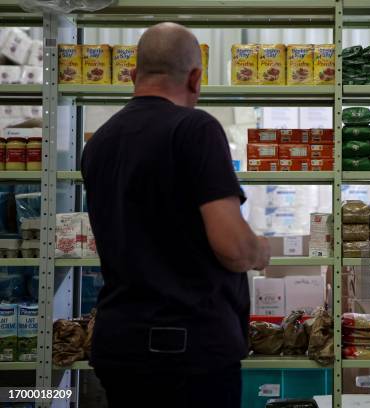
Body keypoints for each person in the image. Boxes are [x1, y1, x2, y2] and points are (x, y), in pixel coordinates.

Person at [81, 22, 270, 407]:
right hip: (187, 353)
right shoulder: (194, 129)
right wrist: (259, 249)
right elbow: (233, 248)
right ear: (196, 78)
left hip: (119, 343)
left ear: (133, 75)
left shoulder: (100, 141)